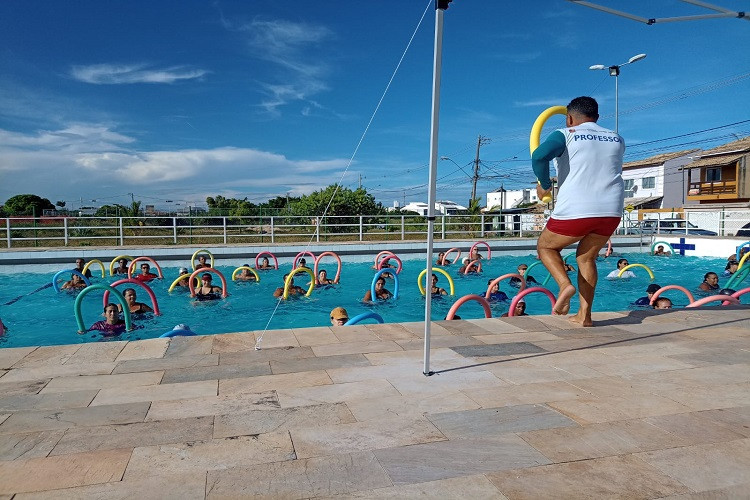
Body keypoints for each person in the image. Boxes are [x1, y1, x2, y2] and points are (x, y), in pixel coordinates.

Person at [533, 96, 625, 326]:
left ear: (569, 118)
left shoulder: (565, 134)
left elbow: (539, 156)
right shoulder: (617, 138)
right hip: (611, 210)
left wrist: (544, 184)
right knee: (586, 257)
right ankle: (585, 316)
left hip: (577, 208)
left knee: (546, 246)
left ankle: (565, 286)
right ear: (597, 117)